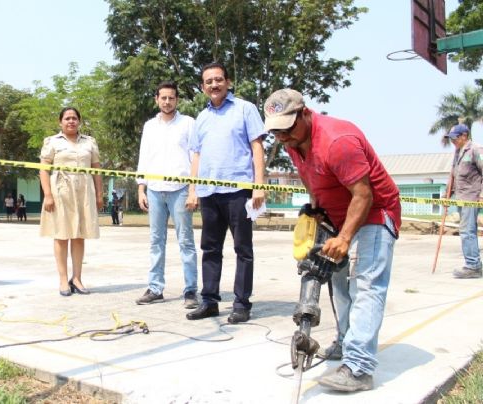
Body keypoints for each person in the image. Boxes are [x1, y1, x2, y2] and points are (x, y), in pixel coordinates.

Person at [263, 88, 401, 392]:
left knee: (365, 286)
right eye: (276, 131)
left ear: (306, 113)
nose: (282, 137)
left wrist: (345, 237)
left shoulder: (338, 141)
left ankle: (359, 367)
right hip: (337, 217)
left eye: (287, 128)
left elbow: (364, 195)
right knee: (338, 287)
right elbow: (310, 175)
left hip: (375, 214)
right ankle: (344, 341)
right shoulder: (291, 141)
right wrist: (315, 209)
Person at [185, 62, 266, 324]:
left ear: (228, 82)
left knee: (243, 248)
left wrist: (259, 184)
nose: (214, 85)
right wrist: (193, 189)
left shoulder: (245, 109)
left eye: (218, 80)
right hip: (209, 192)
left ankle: (242, 303)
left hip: (238, 191)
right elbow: (196, 155)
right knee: (210, 248)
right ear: (202, 87)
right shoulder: (202, 118)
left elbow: (257, 147)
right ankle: (209, 301)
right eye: (208, 82)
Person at [135, 81, 199, 309]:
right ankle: (155, 288)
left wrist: (193, 190)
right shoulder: (150, 126)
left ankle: (191, 290)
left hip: (180, 190)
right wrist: (141, 188)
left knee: (186, 242)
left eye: (171, 98)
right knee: (156, 241)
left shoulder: (188, 123)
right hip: (154, 190)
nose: (167, 101)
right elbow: (144, 156)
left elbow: (195, 157)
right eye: (163, 98)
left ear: (177, 100)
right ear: (157, 99)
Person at [39, 107, 103, 296]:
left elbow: (97, 169)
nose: (71, 121)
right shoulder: (52, 142)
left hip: (84, 192)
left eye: (74, 118)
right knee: (61, 235)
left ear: (79, 121)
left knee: (79, 235)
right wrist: (48, 195)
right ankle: (62, 280)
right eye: (67, 118)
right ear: (60, 122)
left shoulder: (90, 142)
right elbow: (43, 169)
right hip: (61, 191)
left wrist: (100, 194)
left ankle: (77, 278)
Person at [443, 124, 483, 279]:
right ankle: (474, 264)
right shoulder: (457, 152)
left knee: (468, 232)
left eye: (455, 138)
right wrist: (448, 194)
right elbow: (453, 175)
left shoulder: (476, 149)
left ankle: (473, 266)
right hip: (460, 198)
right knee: (465, 231)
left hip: (471, 198)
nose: (453, 141)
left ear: (464, 136)